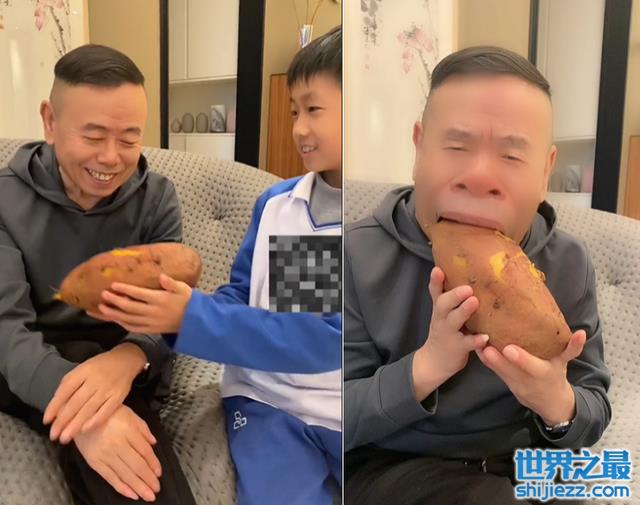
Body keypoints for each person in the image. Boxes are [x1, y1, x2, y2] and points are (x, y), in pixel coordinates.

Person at [343, 46, 610, 505]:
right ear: (418, 147)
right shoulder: (348, 252)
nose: (480, 176)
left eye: (511, 156)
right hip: (396, 463)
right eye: (457, 146)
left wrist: (555, 401)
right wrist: (425, 368)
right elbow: (318, 411)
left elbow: (593, 407)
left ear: (545, 171)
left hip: (527, 465)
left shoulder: (569, 264)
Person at [89, 27, 343, 505]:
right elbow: (244, 296)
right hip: (269, 402)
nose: (298, 128)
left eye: (314, 109)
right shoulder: (278, 205)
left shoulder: (375, 220)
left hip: (350, 404)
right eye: (294, 111)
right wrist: (182, 314)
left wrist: (193, 317)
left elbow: (320, 339)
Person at [0, 44, 197, 505]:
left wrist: (128, 357)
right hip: (29, 361)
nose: (111, 158)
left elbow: (168, 310)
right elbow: (7, 329)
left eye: (129, 140)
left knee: (141, 473)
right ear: (50, 121)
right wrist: (86, 414)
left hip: (120, 364)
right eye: (93, 137)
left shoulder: (157, 199)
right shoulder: (5, 200)